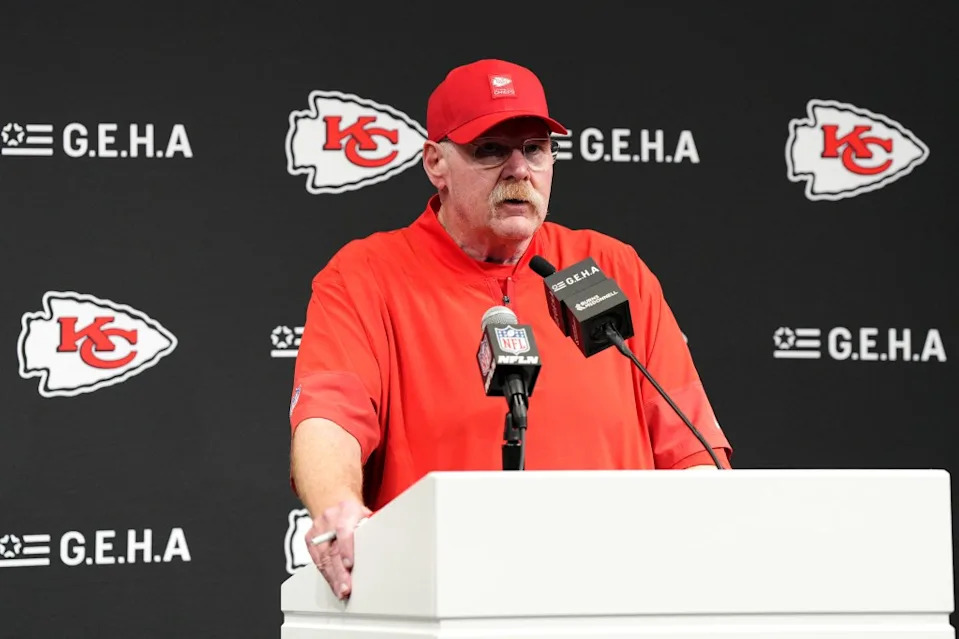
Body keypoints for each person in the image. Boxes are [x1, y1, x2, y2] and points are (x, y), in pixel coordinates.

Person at [288, 58, 732, 600]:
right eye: (491, 150)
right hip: (446, 595)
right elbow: (330, 417)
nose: (519, 169)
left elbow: (690, 449)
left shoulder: (611, 265)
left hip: (619, 593)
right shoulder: (366, 275)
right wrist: (337, 502)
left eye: (536, 149)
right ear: (435, 162)